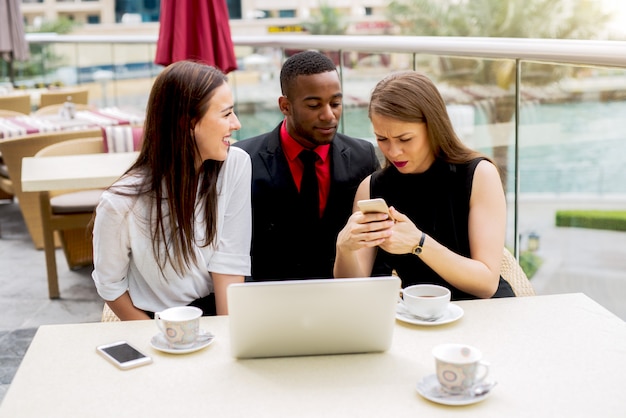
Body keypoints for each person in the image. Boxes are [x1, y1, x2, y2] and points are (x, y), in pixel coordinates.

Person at [92, 60, 252, 320]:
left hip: (216, 311)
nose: (236, 124)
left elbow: (230, 261)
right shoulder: (120, 203)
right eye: (226, 114)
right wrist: (159, 337)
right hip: (153, 320)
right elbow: (110, 286)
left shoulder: (235, 165)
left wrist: (227, 336)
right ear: (186, 122)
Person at [334, 71, 515, 300]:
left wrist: (418, 243)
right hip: (420, 316)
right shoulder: (372, 188)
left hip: (486, 313)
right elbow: (352, 291)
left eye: (405, 139)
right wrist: (345, 248)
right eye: (382, 139)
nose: (393, 151)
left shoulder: (479, 174)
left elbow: (486, 284)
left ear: (433, 127)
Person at [233, 51, 380, 281]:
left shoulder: (363, 157)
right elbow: (233, 251)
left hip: (342, 298)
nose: (329, 115)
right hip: (269, 302)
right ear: (285, 106)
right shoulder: (243, 159)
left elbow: (373, 244)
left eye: (336, 103)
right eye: (314, 105)